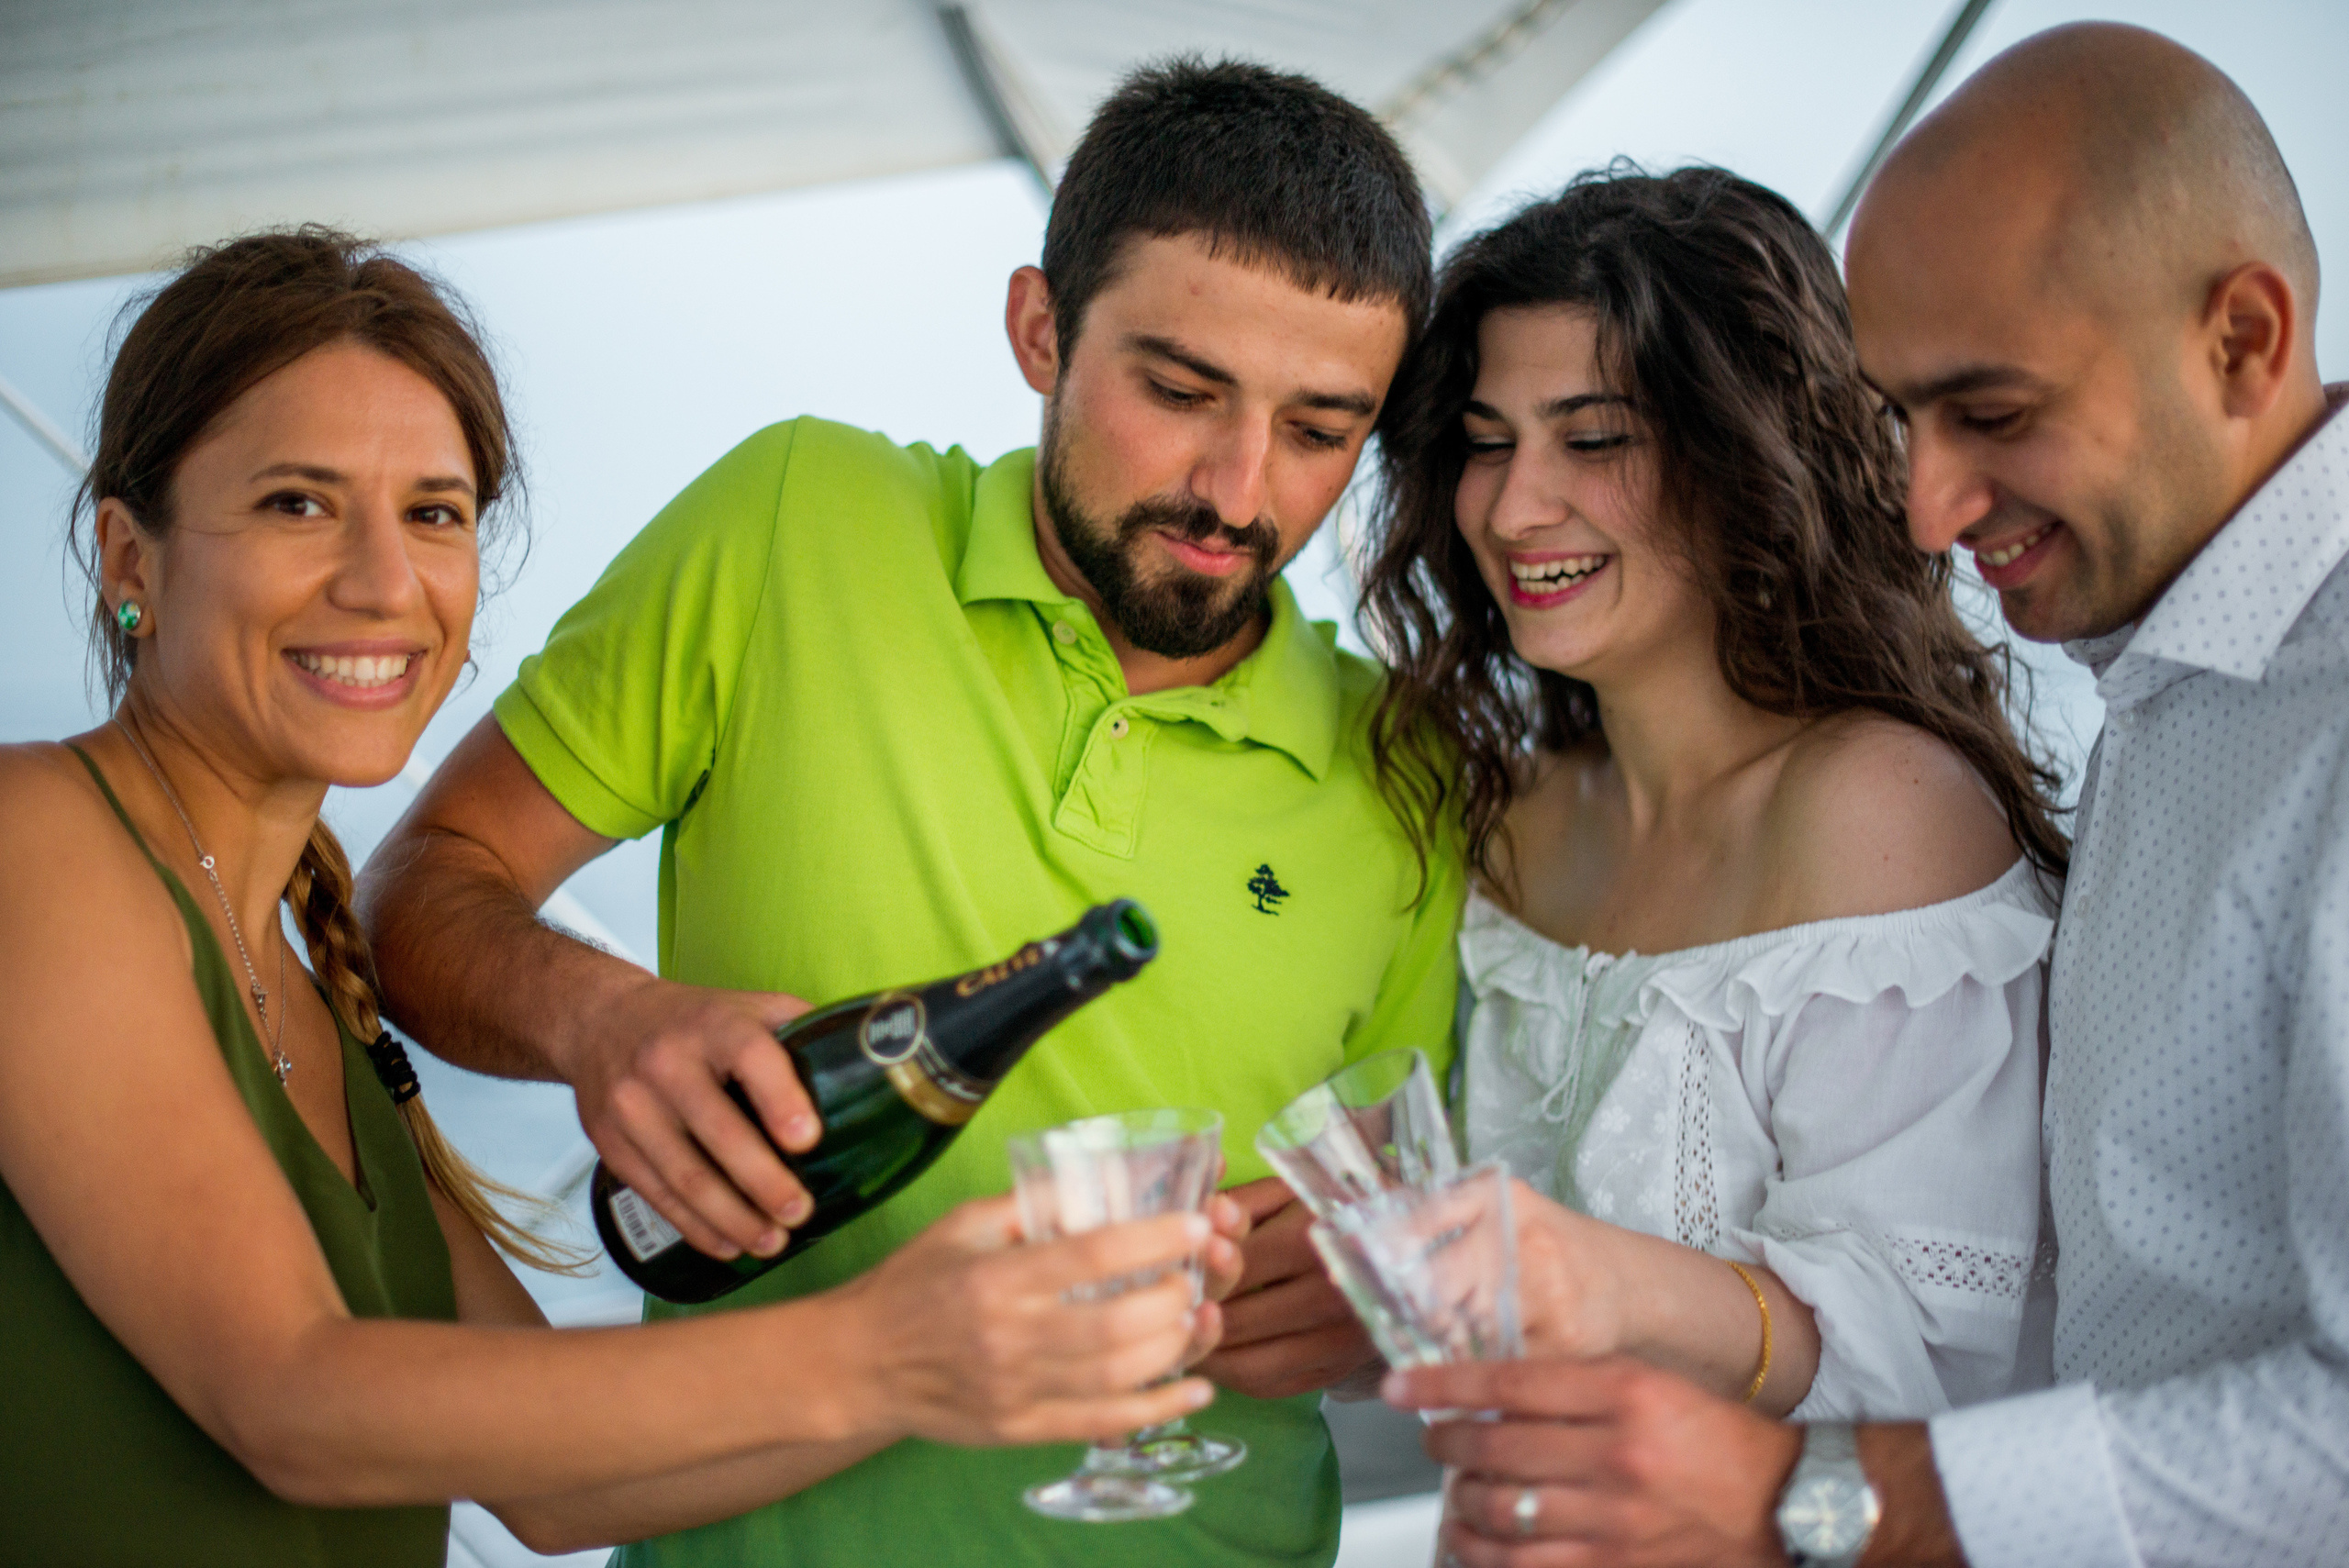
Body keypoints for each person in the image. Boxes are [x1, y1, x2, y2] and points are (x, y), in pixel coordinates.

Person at [359, 60, 1463, 1568]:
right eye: (1180, 391)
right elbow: (425, 886)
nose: (1237, 488)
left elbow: (1406, 1213)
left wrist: (1358, 1297)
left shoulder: (1413, 768)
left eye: (1322, 428)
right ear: (1038, 329)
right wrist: (596, 1016)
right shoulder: (797, 521)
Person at [0, 228, 1222, 1567]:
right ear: (130, 557)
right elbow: (292, 1400)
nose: (382, 583)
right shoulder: (38, 838)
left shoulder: (307, 973)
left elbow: (559, 1493)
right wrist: (882, 1349)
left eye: (435, 512)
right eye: (297, 503)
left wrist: (987, 1347)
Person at [1383, 22, 2349, 1568]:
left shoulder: (1953, 789)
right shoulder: (2168, 686)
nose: (1925, 506)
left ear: (2244, 338)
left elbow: (1982, 1358)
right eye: (1906, 419)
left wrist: (1796, 1497)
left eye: (1996, 411)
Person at [1360, 163, 2065, 1432]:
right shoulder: (1513, 821)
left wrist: (1601, 1280)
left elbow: (1941, 1359)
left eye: (1593, 439)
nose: (1516, 507)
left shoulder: (1875, 809)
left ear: (1749, 456)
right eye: (1485, 443)